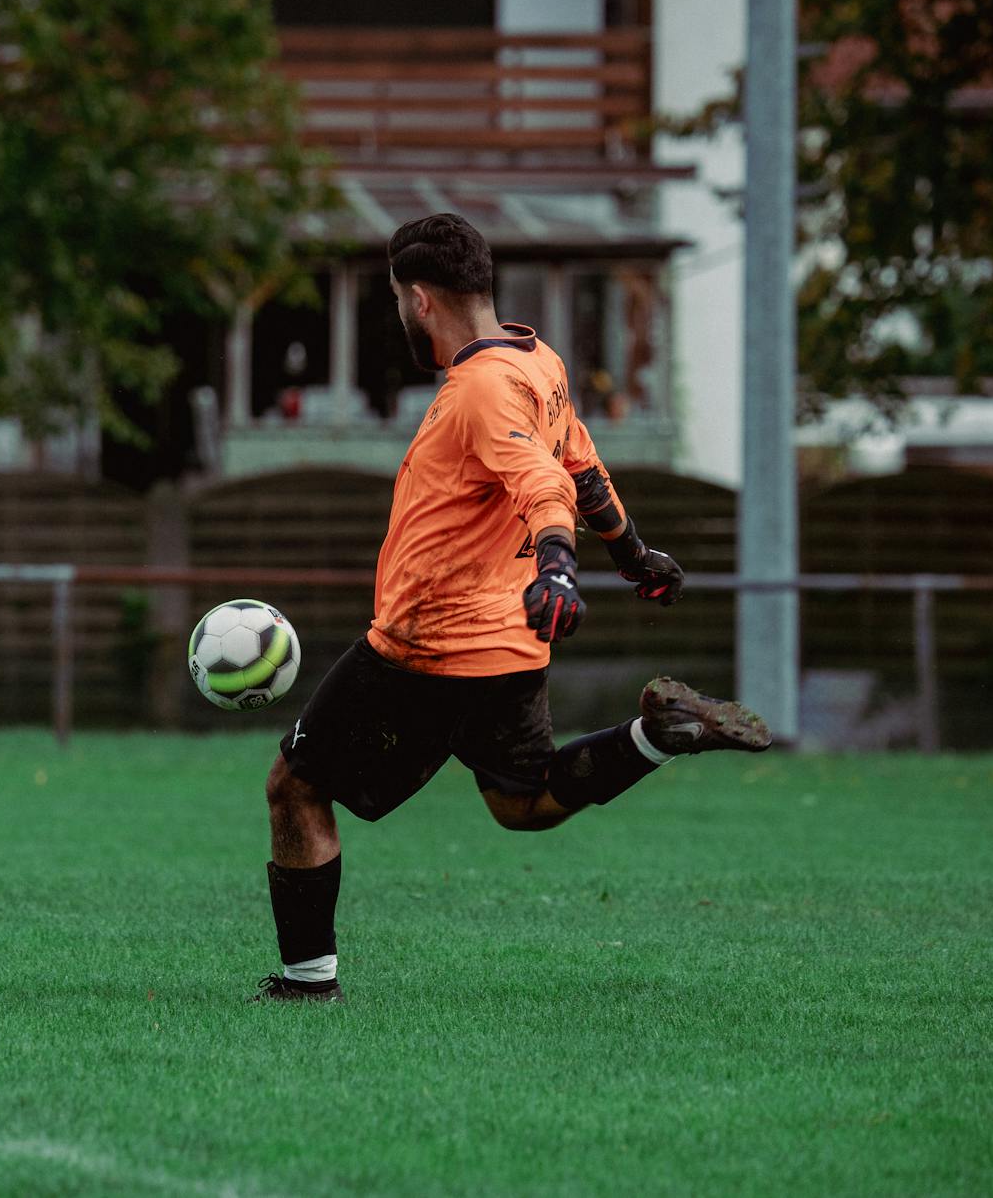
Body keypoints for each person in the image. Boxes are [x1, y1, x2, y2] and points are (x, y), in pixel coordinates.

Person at [251, 214, 771, 1005]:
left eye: (396, 298)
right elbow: (583, 466)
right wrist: (633, 553)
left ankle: (306, 983)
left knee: (294, 783)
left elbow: (543, 483)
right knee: (522, 802)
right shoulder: (538, 361)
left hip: (426, 645)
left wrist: (559, 566)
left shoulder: (480, 389)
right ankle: (657, 736)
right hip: (509, 646)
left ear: (420, 300)